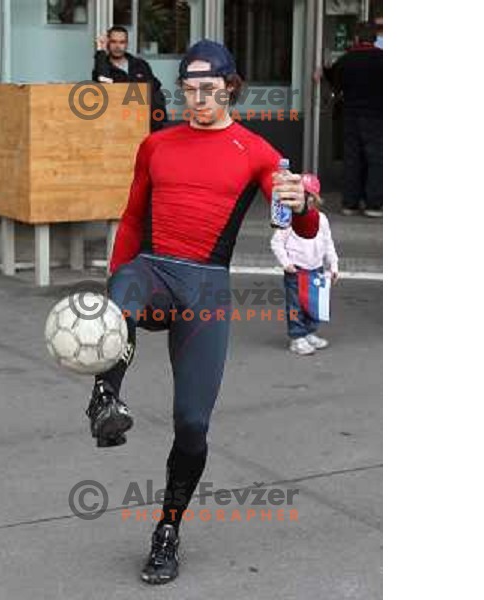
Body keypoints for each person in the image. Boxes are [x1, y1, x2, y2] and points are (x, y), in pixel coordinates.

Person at [84, 39, 321, 585]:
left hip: (206, 289)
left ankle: (167, 529)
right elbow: (131, 220)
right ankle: (104, 399)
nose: (198, 100)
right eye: (189, 89)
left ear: (230, 87)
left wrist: (304, 203)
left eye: (208, 89)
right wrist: (109, 300)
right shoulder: (157, 145)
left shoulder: (258, 152)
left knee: (191, 424)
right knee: (124, 287)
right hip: (152, 269)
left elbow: (298, 226)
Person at [270, 174, 339, 355]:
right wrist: (286, 264)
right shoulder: (288, 219)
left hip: (316, 268)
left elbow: (328, 242)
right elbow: (276, 242)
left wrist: (333, 265)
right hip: (296, 270)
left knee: (313, 303)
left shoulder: (321, 219)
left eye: (309, 197)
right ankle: (296, 337)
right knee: (295, 305)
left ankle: (309, 332)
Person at [320, 22, 383, 218]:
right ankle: (373, 204)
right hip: (376, 116)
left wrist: (321, 72)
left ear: (356, 38)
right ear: (375, 38)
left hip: (350, 115)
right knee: (376, 160)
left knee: (352, 159)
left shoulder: (346, 61)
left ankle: (350, 203)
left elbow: (332, 80)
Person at [92, 25, 167, 131]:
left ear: (126, 44)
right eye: (114, 42)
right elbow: (103, 84)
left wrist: (158, 123)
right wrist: (100, 51)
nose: (118, 46)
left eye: (122, 42)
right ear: (108, 43)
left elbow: (155, 91)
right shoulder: (103, 67)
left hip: (145, 123)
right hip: (118, 125)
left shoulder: (140, 64)